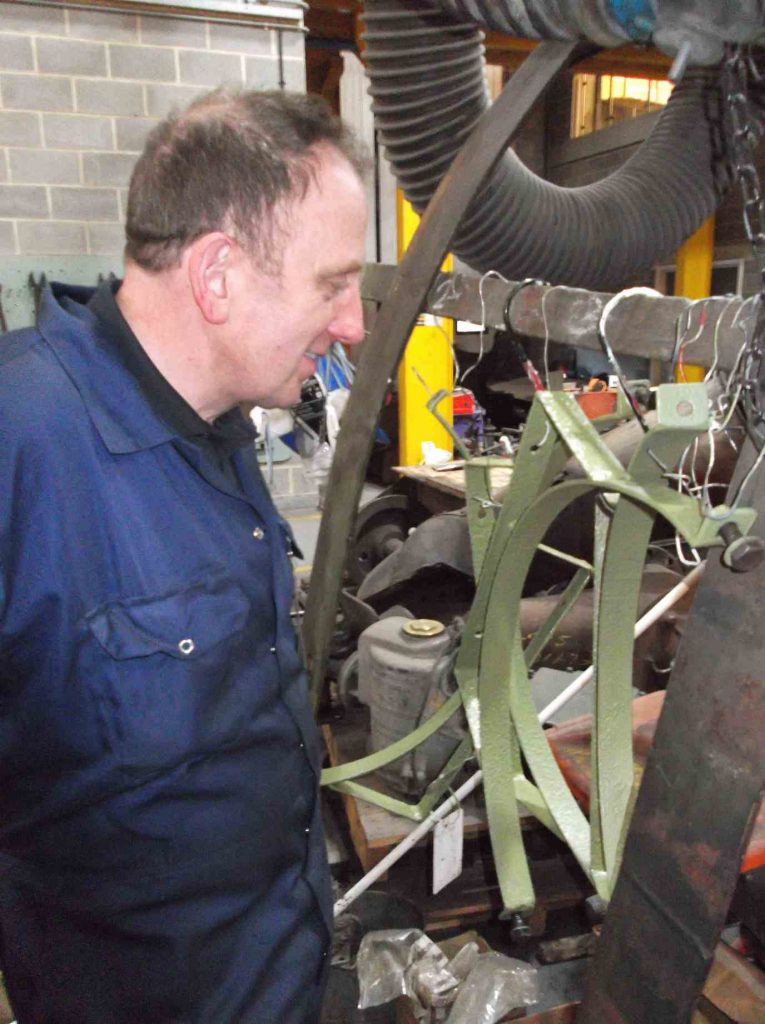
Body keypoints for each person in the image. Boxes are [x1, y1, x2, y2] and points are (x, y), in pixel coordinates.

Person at [0, 88, 368, 1023]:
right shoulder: (23, 444)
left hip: (280, 976)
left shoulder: (220, 423)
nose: (354, 324)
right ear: (218, 278)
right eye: (333, 284)